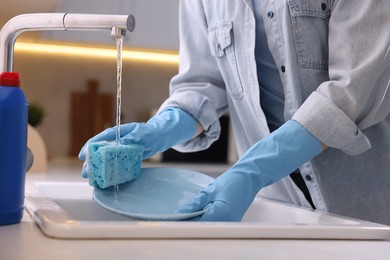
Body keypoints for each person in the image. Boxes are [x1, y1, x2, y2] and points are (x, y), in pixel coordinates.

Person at [79, 0, 390, 224]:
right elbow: (204, 83)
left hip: (367, 210)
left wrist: (253, 169)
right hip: (279, 208)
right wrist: (161, 128)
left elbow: (351, 91)